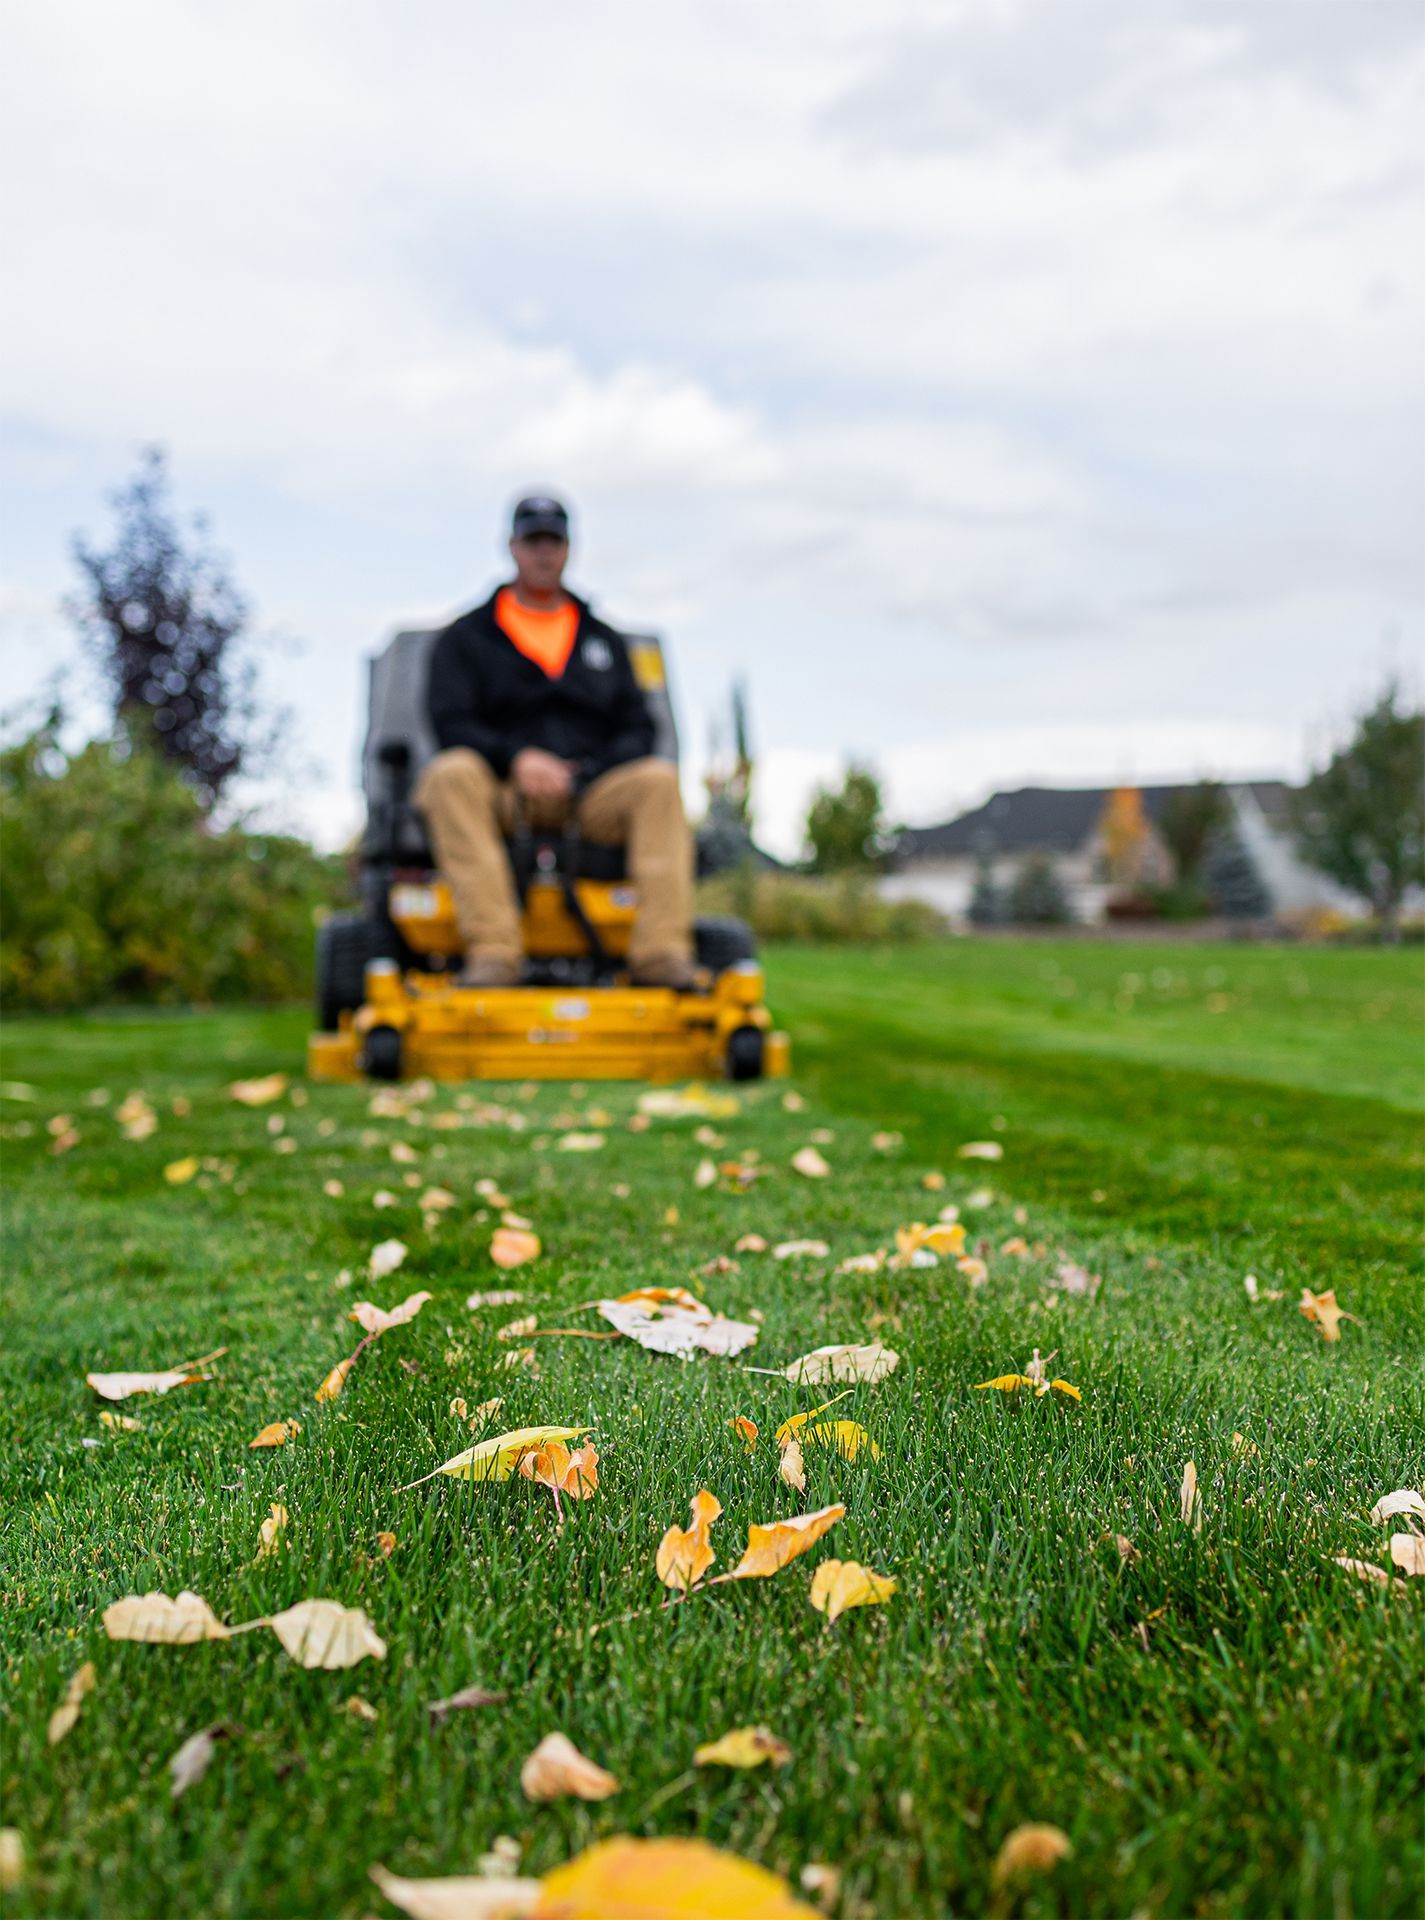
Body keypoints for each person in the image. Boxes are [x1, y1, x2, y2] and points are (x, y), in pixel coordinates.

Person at [417, 495, 696, 988]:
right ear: (512, 547)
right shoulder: (467, 637)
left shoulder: (604, 640)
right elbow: (449, 721)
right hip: (504, 794)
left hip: (589, 796)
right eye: (533, 541)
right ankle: (494, 953)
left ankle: (660, 954)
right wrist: (516, 759)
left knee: (658, 780)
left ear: (569, 549)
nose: (543, 552)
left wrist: (584, 770)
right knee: (450, 774)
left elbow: (640, 728)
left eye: (554, 541)